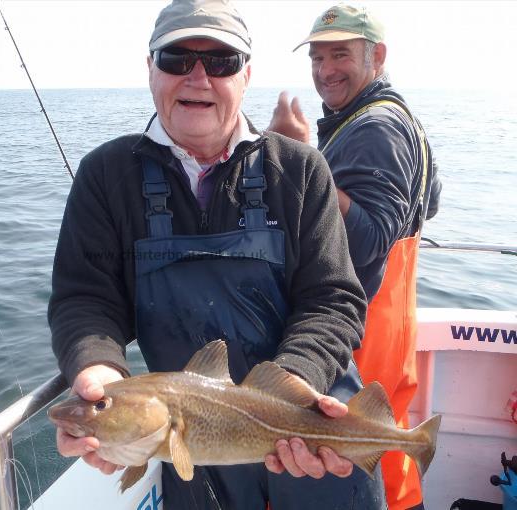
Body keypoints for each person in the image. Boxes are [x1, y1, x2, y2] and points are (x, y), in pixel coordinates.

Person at [49, 1, 386, 508]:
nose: (198, 77)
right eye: (176, 58)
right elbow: (85, 300)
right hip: (195, 451)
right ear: (150, 69)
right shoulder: (103, 176)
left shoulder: (300, 169)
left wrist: (293, 385)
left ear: (246, 75)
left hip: (314, 431)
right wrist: (99, 369)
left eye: (222, 61)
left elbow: (333, 299)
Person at [267, 5, 442, 510]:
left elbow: (367, 244)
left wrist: (300, 157)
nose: (325, 71)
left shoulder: (376, 128)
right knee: (386, 459)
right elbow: (427, 202)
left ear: (377, 56)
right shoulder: (398, 118)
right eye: (317, 58)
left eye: (340, 54)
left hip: (358, 332)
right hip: (390, 327)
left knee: (349, 475)